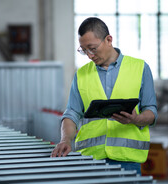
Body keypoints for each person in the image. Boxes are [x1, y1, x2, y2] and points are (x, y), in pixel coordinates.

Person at [51, 17, 157, 174]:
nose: (89, 55)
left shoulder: (140, 68)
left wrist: (136, 119)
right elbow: (72, 113)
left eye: (92, 48)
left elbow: (151, 112)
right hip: (89, 160)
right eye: (83, 50)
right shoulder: (81, 75)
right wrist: (65, 140)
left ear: (108, 40)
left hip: (127, 160)